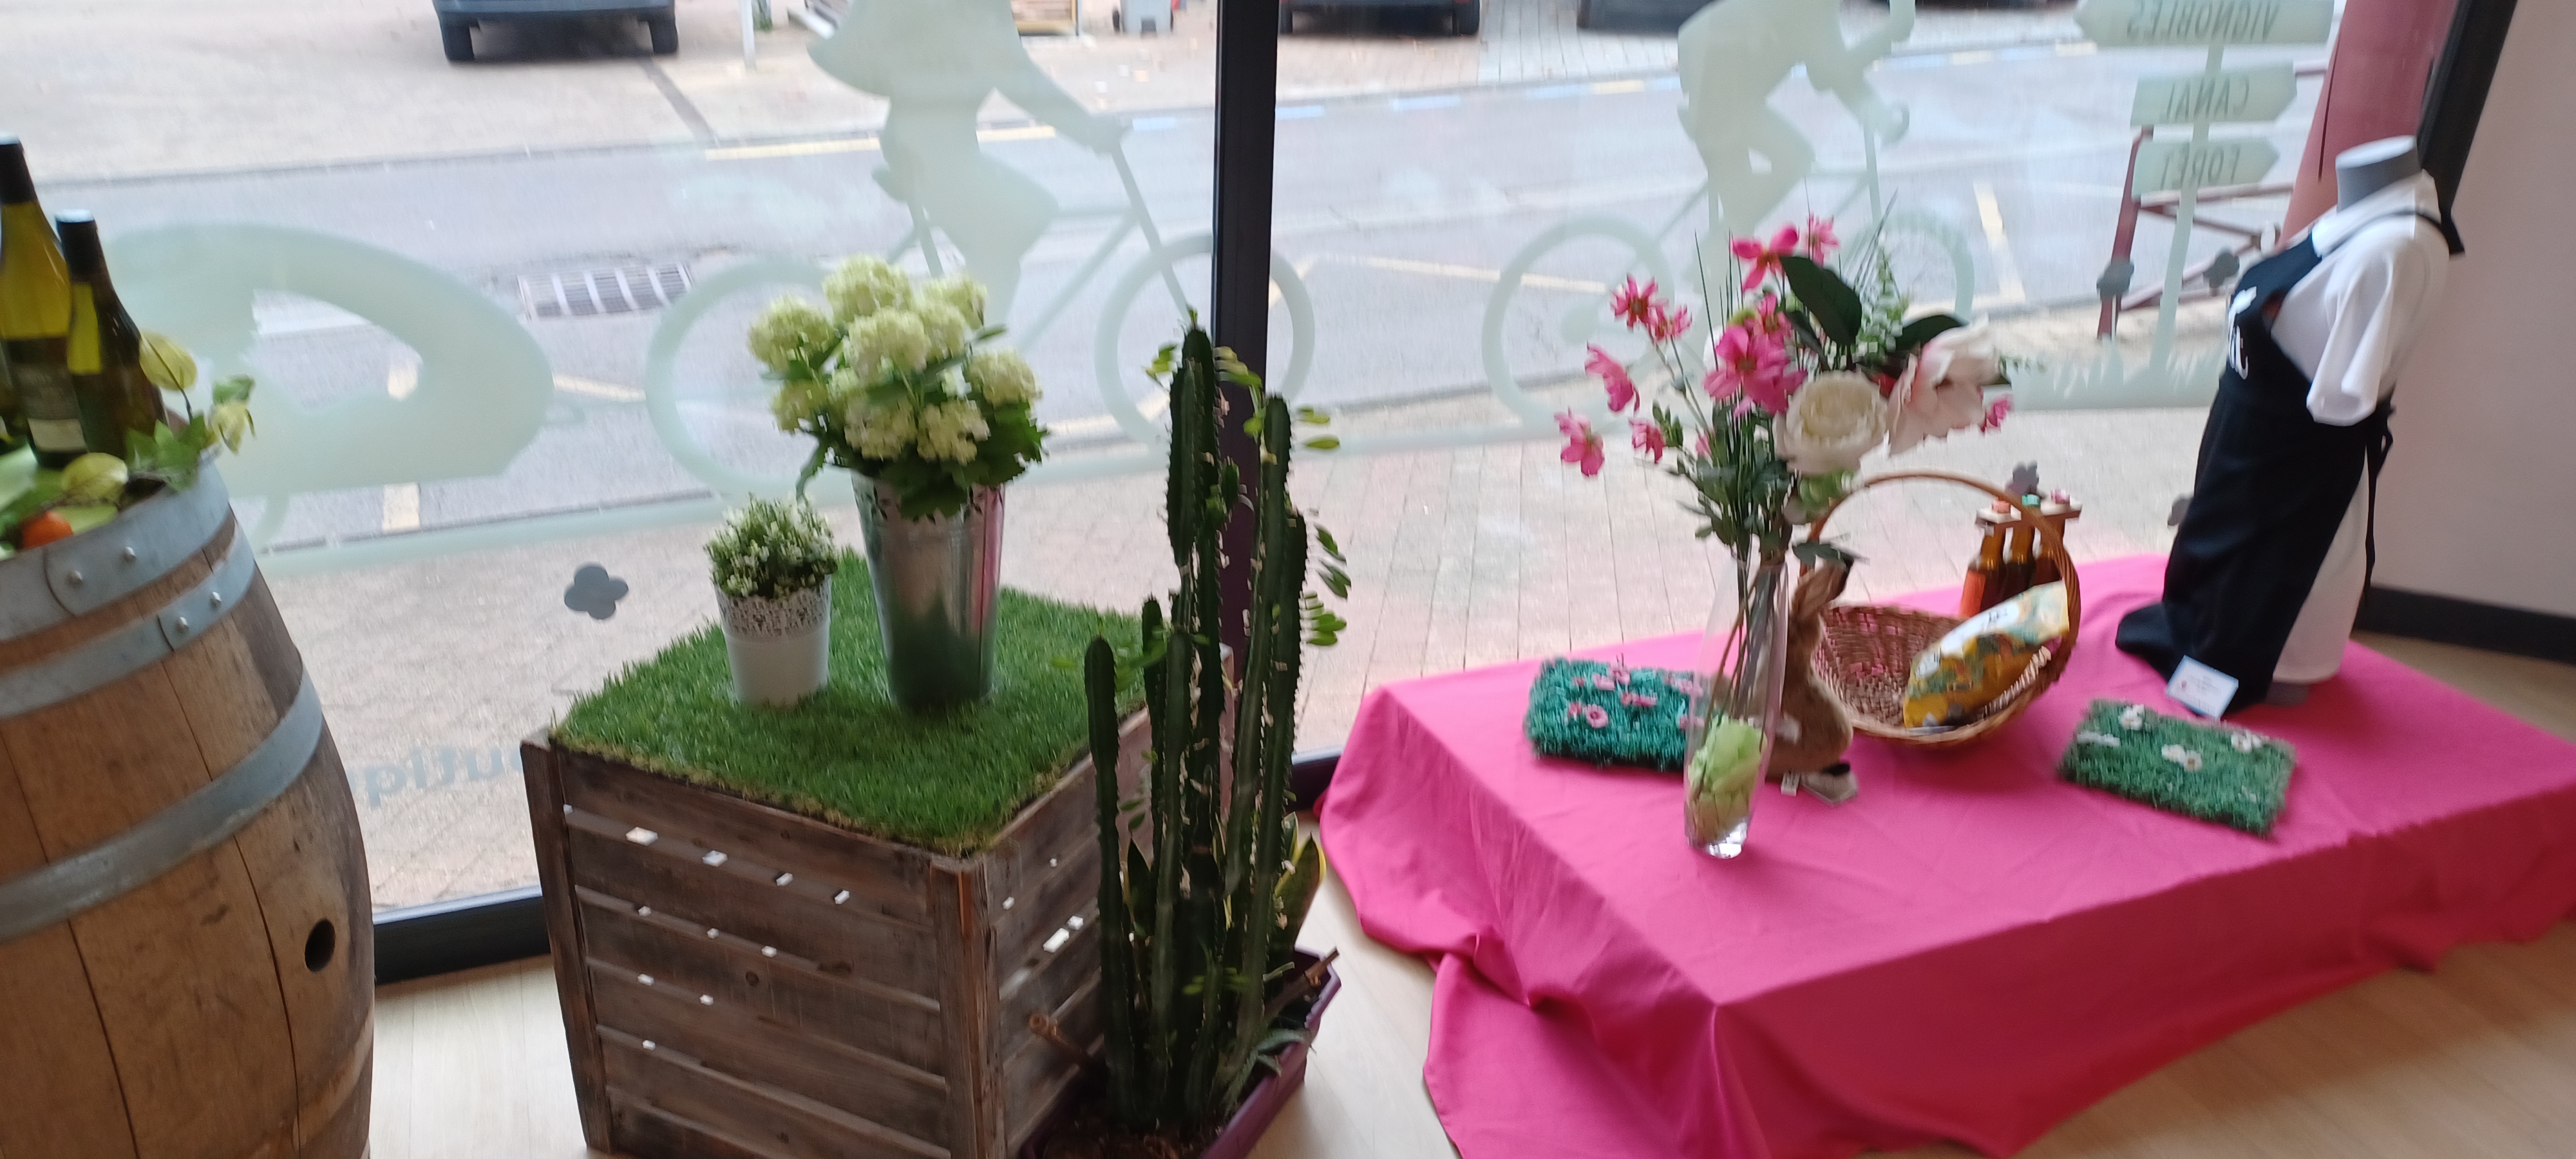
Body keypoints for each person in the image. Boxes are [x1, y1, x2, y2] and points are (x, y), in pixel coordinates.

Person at [2117, 138, 2455, 712]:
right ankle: (2207, 639)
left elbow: (2340, 402)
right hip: (2246, 440)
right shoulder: (2349, 219)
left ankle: (2265, 659)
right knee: (2215, 565)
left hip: (2294, 468)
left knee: (2261, 583)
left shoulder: (2394, 251)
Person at [811, 0, 1126, 317]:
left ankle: (957, 325)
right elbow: (1018, 76)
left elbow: (1012, 71)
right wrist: (1088, 130)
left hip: (924, 143)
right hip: (929, 150)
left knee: (996, 259)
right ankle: (942, 329)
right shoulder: (978, 8)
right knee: (1029, 219)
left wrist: (1087, 129)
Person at [1674, 0, 1915, 243]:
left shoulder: (1817, 7)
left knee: (1750, 204)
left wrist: (1880, 117)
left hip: (1727, 93)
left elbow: (1831, 73)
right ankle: (1715, 251)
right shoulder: (1813, 7)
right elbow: (1831, 74)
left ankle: (1730, 234)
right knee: (1790, 163)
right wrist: (1891, 33)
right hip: (1720, 100)